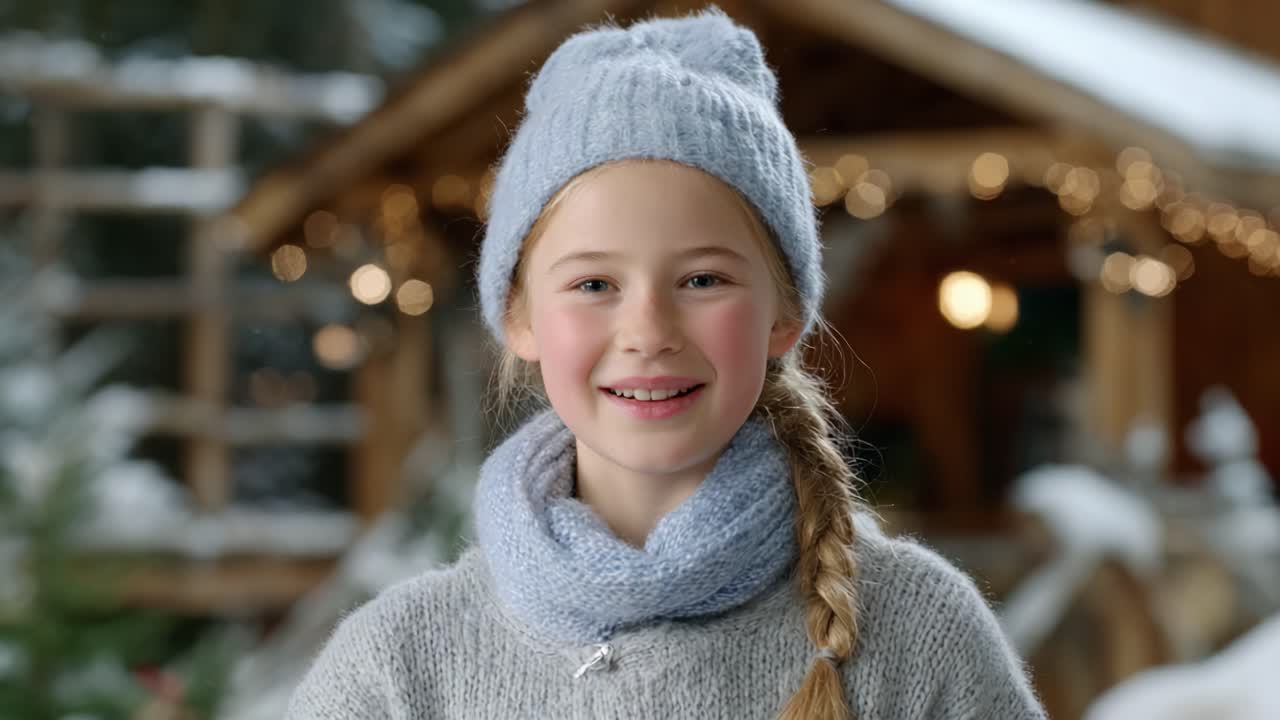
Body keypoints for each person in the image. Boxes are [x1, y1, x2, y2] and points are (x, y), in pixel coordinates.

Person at [285, 8, 1046, 719]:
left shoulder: (919, 634)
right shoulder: (400, 665)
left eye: (703, 281)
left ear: (783, 312)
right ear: (520, 317)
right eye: (593, 284)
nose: (648, 330)